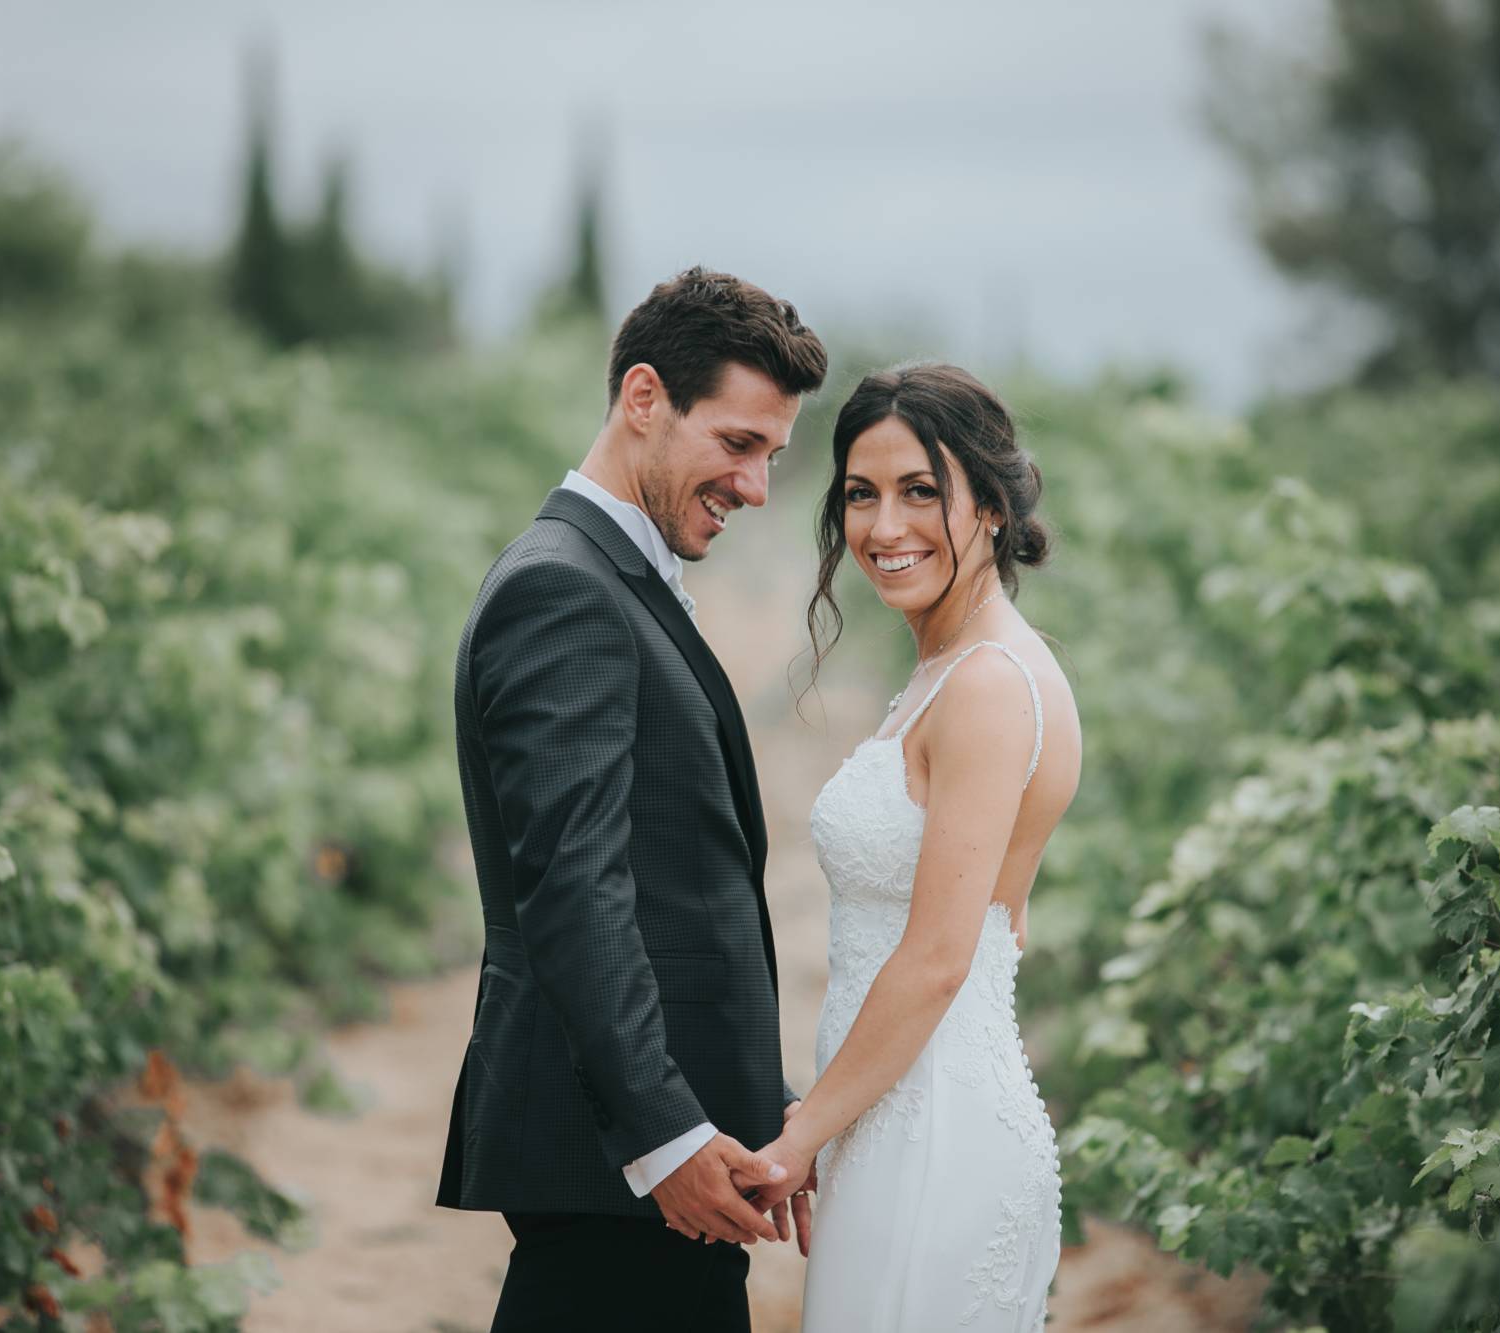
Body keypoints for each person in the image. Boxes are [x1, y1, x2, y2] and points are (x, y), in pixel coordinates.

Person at [436, 266, 829, 1332]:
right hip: (627, 1164)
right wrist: (663, 1135)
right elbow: (574, 888)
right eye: (738, 445)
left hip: (664, 1155)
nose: (755, 488)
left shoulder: (612, 574)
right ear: (643, 398)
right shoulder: (564, 587)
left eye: (772, 457)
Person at [750, 363, 1082, 1331]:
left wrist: (796, 1139)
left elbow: (940, 956)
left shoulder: (982, 683)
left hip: (933, 1130)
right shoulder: (953, 668)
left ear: (989, 504)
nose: (882, 527)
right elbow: (999, 920)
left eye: (918, 491)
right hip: (896, 1111)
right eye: (860, 494)